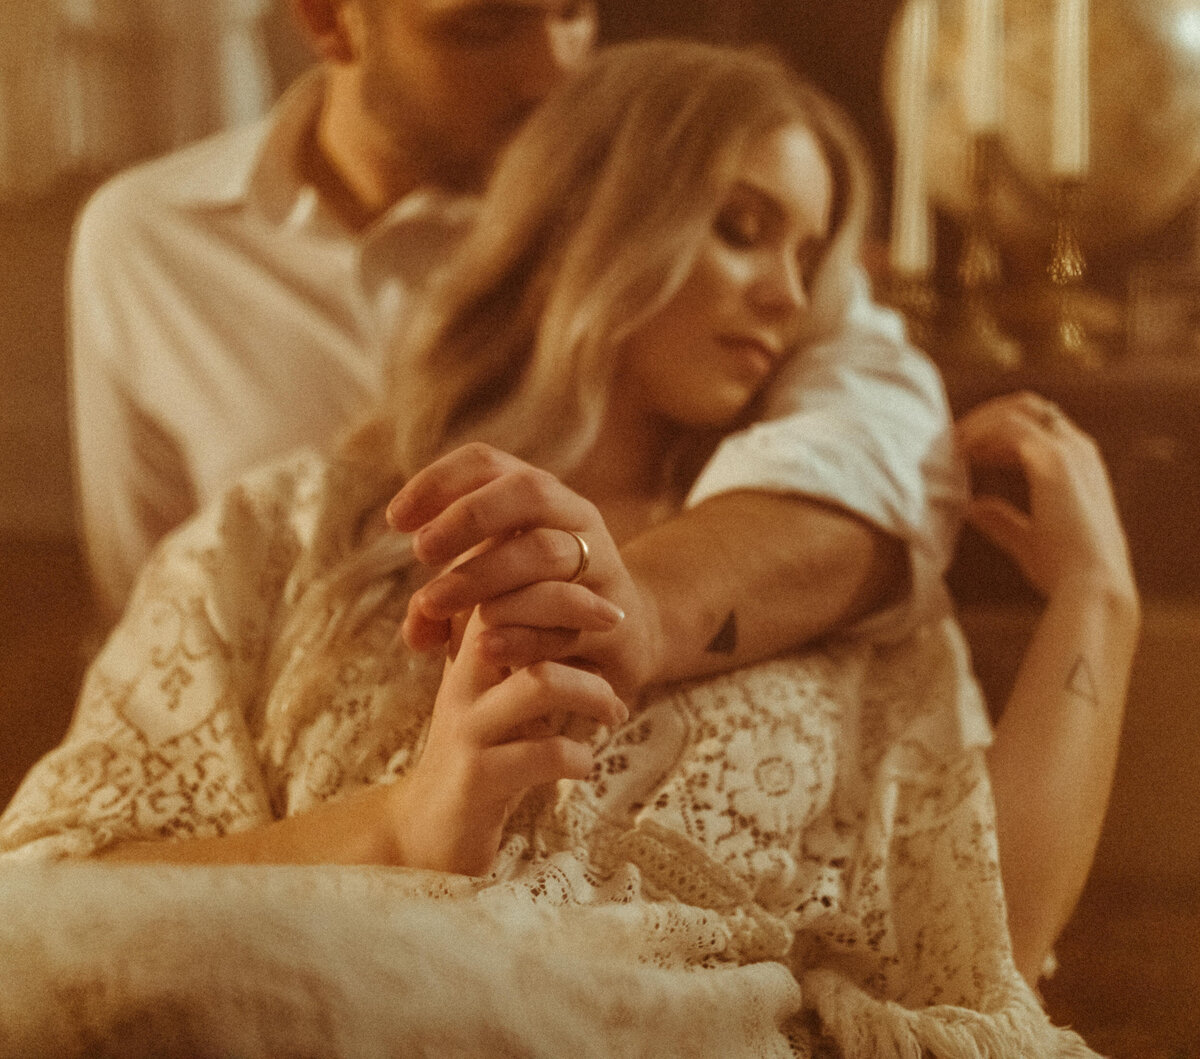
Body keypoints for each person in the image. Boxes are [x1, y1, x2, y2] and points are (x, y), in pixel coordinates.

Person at [10, 39, 1136, 999]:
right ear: (590, 217)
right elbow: (48, 907)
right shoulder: (280, 534)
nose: (789, 295)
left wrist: (1099, 605)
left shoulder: (833, 561)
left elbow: (979, 951)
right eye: (743, 229)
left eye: (806, 253)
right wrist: (398, 830)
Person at [68, 0, 951, 715]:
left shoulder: (633, 222)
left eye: (573, 13)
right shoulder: (147, 243)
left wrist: (634, 607)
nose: (555, 73)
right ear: (330, 20)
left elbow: (886, 434)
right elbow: (141, 616)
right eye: (484, 27)